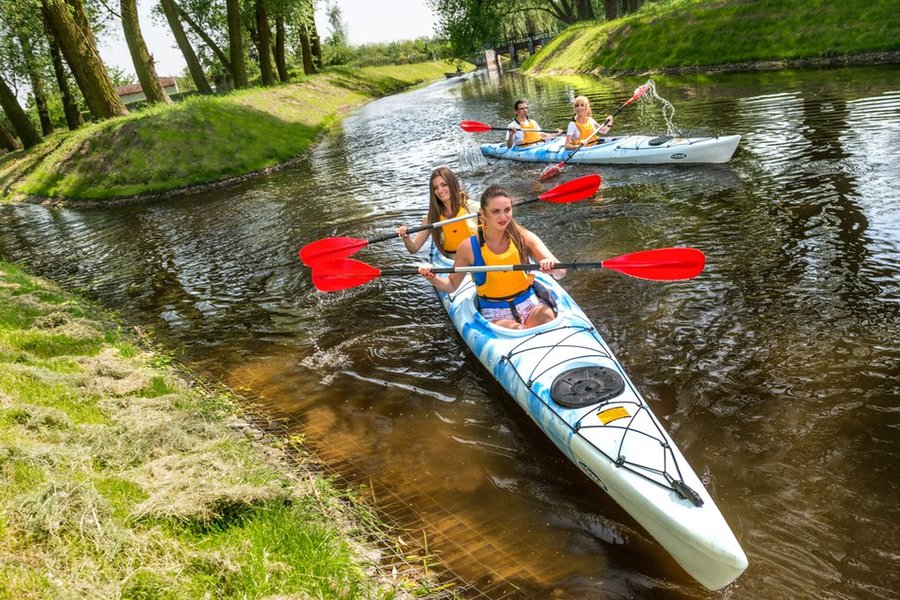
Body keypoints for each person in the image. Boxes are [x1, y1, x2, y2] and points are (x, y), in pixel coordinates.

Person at [418, 185, 564, 330]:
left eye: (507, 210)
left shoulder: (523, 237)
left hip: (529, 304)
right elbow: (451, 285)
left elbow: (561, 272)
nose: (503, 217)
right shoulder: (468, 247)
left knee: (548, 317)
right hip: (496, 313)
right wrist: (432, 277)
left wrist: (551, 266)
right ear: (482, 213)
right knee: (520, 330)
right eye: (495, 212)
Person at [397, 166, 477, 257]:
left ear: (452, 184)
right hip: (451, 263)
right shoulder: (431, 217)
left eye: (444, 185)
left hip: (478, 259)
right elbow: (413, 248)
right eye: (435, 188)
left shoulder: (472, 207)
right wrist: (406, 237)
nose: (440, 190)